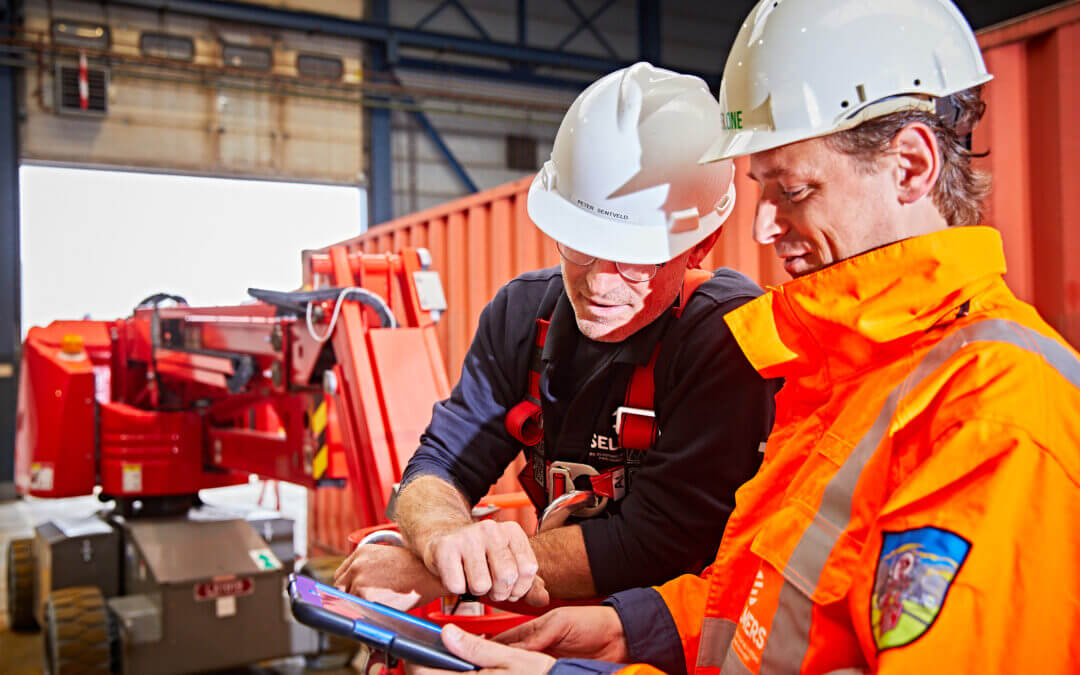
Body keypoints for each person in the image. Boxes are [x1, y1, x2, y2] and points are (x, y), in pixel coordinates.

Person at [409, 0, 1080, 673]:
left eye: (792, 189)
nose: (762, 230)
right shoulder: (847, 375)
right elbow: (773, 607)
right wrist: (634, 631)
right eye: (761, 189)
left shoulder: (996, 419)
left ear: (909, 167)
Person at [334, 63, 777, 609]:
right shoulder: (523, 313)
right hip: (561, 625)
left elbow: (656, 541)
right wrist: (444, 541)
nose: (597, 281)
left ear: (698, 247)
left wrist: (441, 576)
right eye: (581, 244)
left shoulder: (727, 338)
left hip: (676, 645)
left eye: (634, 261)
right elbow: (440, 465)